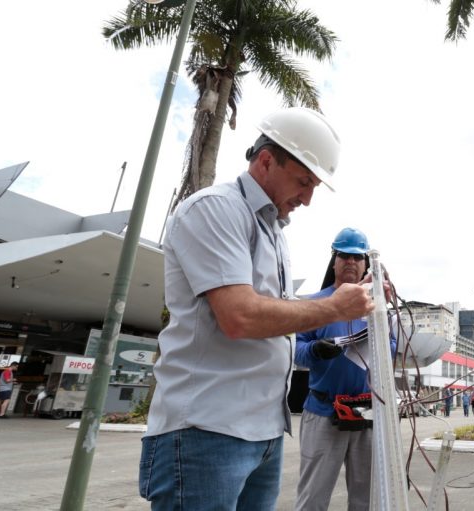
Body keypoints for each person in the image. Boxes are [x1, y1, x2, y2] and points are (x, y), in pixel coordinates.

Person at [140, 107, 376, 511]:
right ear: (266, 161)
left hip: (262, 431)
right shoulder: (217, 209)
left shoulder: (273, 232)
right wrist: (332, 310)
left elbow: (274, 319)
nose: (307, 197)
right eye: (303, 182)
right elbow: (241, 316)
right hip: (207, 429)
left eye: (315, 185)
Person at [294, 227, 396, 511]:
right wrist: (315, 350)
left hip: (366, 413)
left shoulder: (376, 306)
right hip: (324, 411)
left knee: (366, 500)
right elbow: (296, 351)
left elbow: (390, 351)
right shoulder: (316, 303)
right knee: (312, 498)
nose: (350, 262)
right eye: (343, 256)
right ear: (334, 260)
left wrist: (383, 315)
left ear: (365, 263)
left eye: (356, 257)